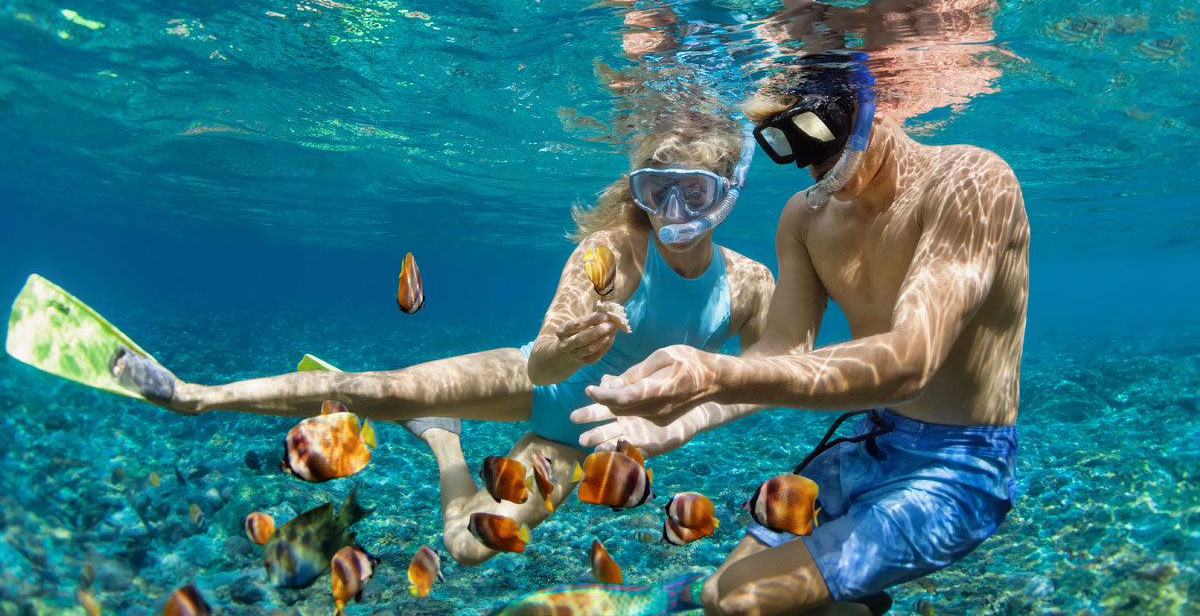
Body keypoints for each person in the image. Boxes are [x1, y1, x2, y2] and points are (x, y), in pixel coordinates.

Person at [110, 111, 775, 567]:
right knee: (375, 390)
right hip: (531, 380)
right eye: (656, 192)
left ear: (728, 195)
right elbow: (544, 356)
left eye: (695, 192)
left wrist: (689, 413)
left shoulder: (750, 285)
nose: (675, 214)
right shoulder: (613, 252)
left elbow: (771, 375)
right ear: (639, 192)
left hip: (575, 444)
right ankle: (195, 395)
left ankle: (442, 437)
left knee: (468, 548)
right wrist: (570, 346)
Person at [574, 52, 1028, 616]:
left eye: (822, 135)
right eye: (788, 145)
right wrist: (685, 419)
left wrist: (714, 375)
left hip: (958, 467)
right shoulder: (805, 218)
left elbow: (914, 358)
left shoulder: (971, 179)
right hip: (867, 441)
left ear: (874, 104)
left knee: (739, 601)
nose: (814, 168)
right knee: (723, 594)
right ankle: (857, 602)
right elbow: (782, 349)